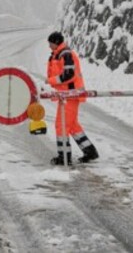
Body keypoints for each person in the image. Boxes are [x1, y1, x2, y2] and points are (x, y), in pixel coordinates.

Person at [46, 31, 99, 165]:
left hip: (71, 95)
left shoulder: (66, 54)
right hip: (67, 95)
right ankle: (90, 151)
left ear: (56, 42)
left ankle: (64, 157)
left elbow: (68, 75)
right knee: (73, 125)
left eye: (51, 43)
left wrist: (51, 81)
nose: (49, 46)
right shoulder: (59, 54)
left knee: (61, 125)